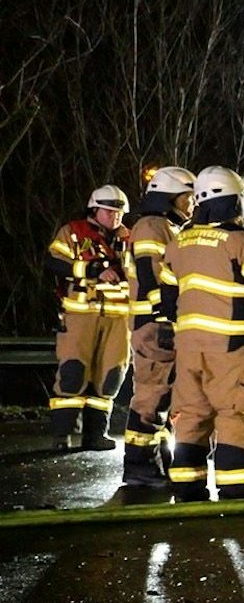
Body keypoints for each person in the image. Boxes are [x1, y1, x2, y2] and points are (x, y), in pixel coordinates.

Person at [157, 166, 244, 501]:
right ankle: (236, 487)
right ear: (232, 201)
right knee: (236, 414)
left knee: (191, 414)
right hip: (233, 348)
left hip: (188, 348)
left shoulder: (179, 242)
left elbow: (167, 300)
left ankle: (187, 485)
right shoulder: (243, 242)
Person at [121, 167, 195, 484]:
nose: (193, 203)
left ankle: (157, 461)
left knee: (163, 398)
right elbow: (152, 275)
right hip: (154, 327)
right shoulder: (153, 227)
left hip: (159, 324)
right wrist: (165, 318)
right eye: (188, 196)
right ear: (171, 196)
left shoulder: (165, 226)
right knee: (151, 398)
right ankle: (138, 466)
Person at [46, 185, 134, 451]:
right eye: (109, 211)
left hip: (119, 319)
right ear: (94, 209)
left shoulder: (130, 238)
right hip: (80, 316)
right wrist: (91, 269)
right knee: (73, 373)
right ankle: (62, 436)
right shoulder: (73, 232)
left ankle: (96, 436)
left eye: (118, 212)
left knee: (109, 377)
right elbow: (53, 262)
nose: (114, 217)